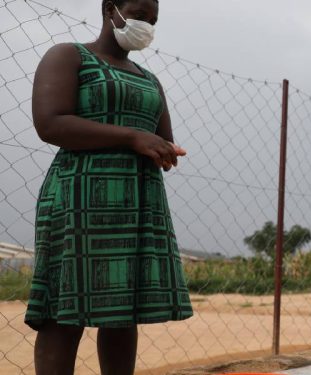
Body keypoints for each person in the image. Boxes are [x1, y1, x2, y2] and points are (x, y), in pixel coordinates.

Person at [26, 1, 192, 374]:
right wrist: (133, 137)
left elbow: (160, 137)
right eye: (138, 13)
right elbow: (49, 122)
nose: (145, 24)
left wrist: (165, 149)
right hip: (78, 197)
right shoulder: (70, 56)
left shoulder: (149, 79)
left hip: (137, 200)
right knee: (64, 312)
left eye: (152, 20)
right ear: (109, 8)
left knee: (121, 312)